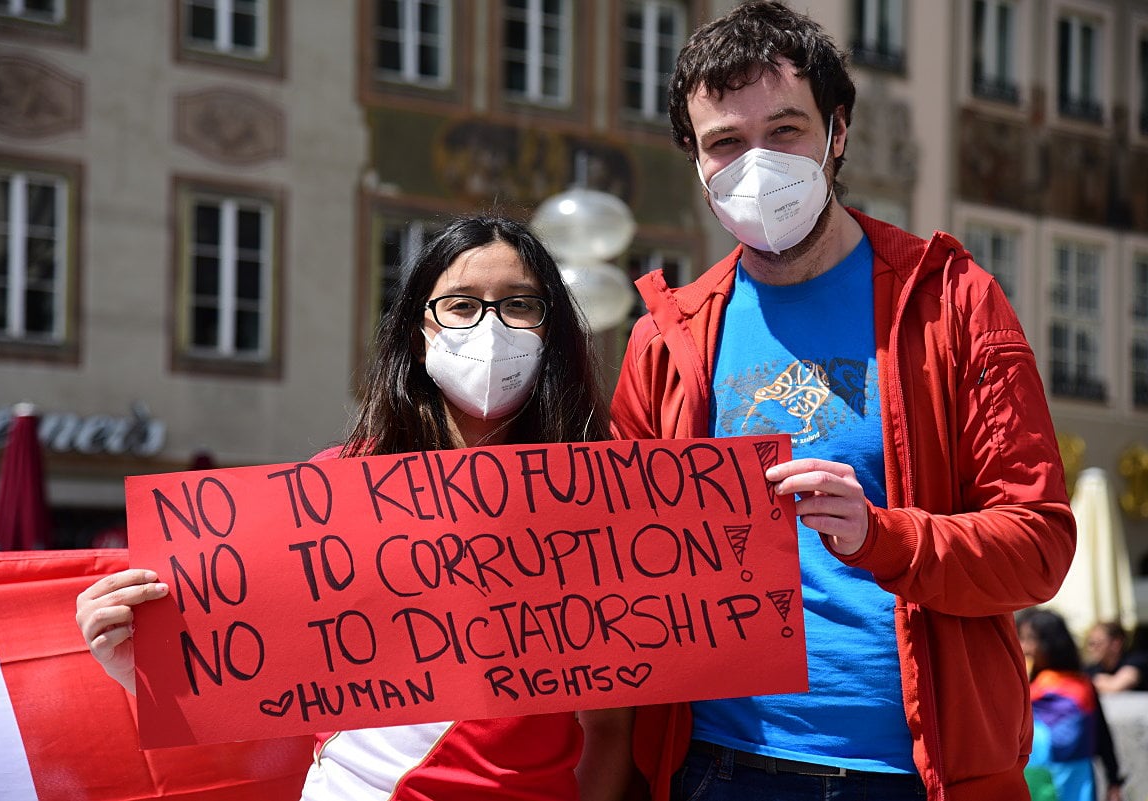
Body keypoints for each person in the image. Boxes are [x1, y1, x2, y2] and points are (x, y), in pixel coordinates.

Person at [607, 3, 1076, 800]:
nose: (757, 163)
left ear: (838, 132)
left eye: (785, 130)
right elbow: (618, 551)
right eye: (725, 141)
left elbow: (1038, 546)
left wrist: (880, 534)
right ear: (695, 159)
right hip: (716, 767)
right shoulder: (668, 336)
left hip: (910, 774)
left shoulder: (953, 304)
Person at [76, 215, 631, 801]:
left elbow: (609, 732)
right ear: (420, 332)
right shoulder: (331, 488)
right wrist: (143, 663)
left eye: (518, 306)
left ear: (552, 331)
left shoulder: (598, 499)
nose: (489, 329)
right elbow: (254, 684)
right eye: (461, 306)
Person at [1017, 609, 1124, 801]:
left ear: (1051, 643)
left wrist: (1113, 780)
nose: (1024, 647)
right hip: (1030, 783)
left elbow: (1102, 735)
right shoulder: (1019, 689)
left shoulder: (1081, 687)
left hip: (1074, 784)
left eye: (1030, 639)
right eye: (1021, 639)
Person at [1084, 621, 1148, 694]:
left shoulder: (1137, 661)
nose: (1092, 648)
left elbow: (1116, 687)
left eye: (1098, 643)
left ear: (1116, 644)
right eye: (1090, 644)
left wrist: (1095, 683)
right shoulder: (1091, 669)